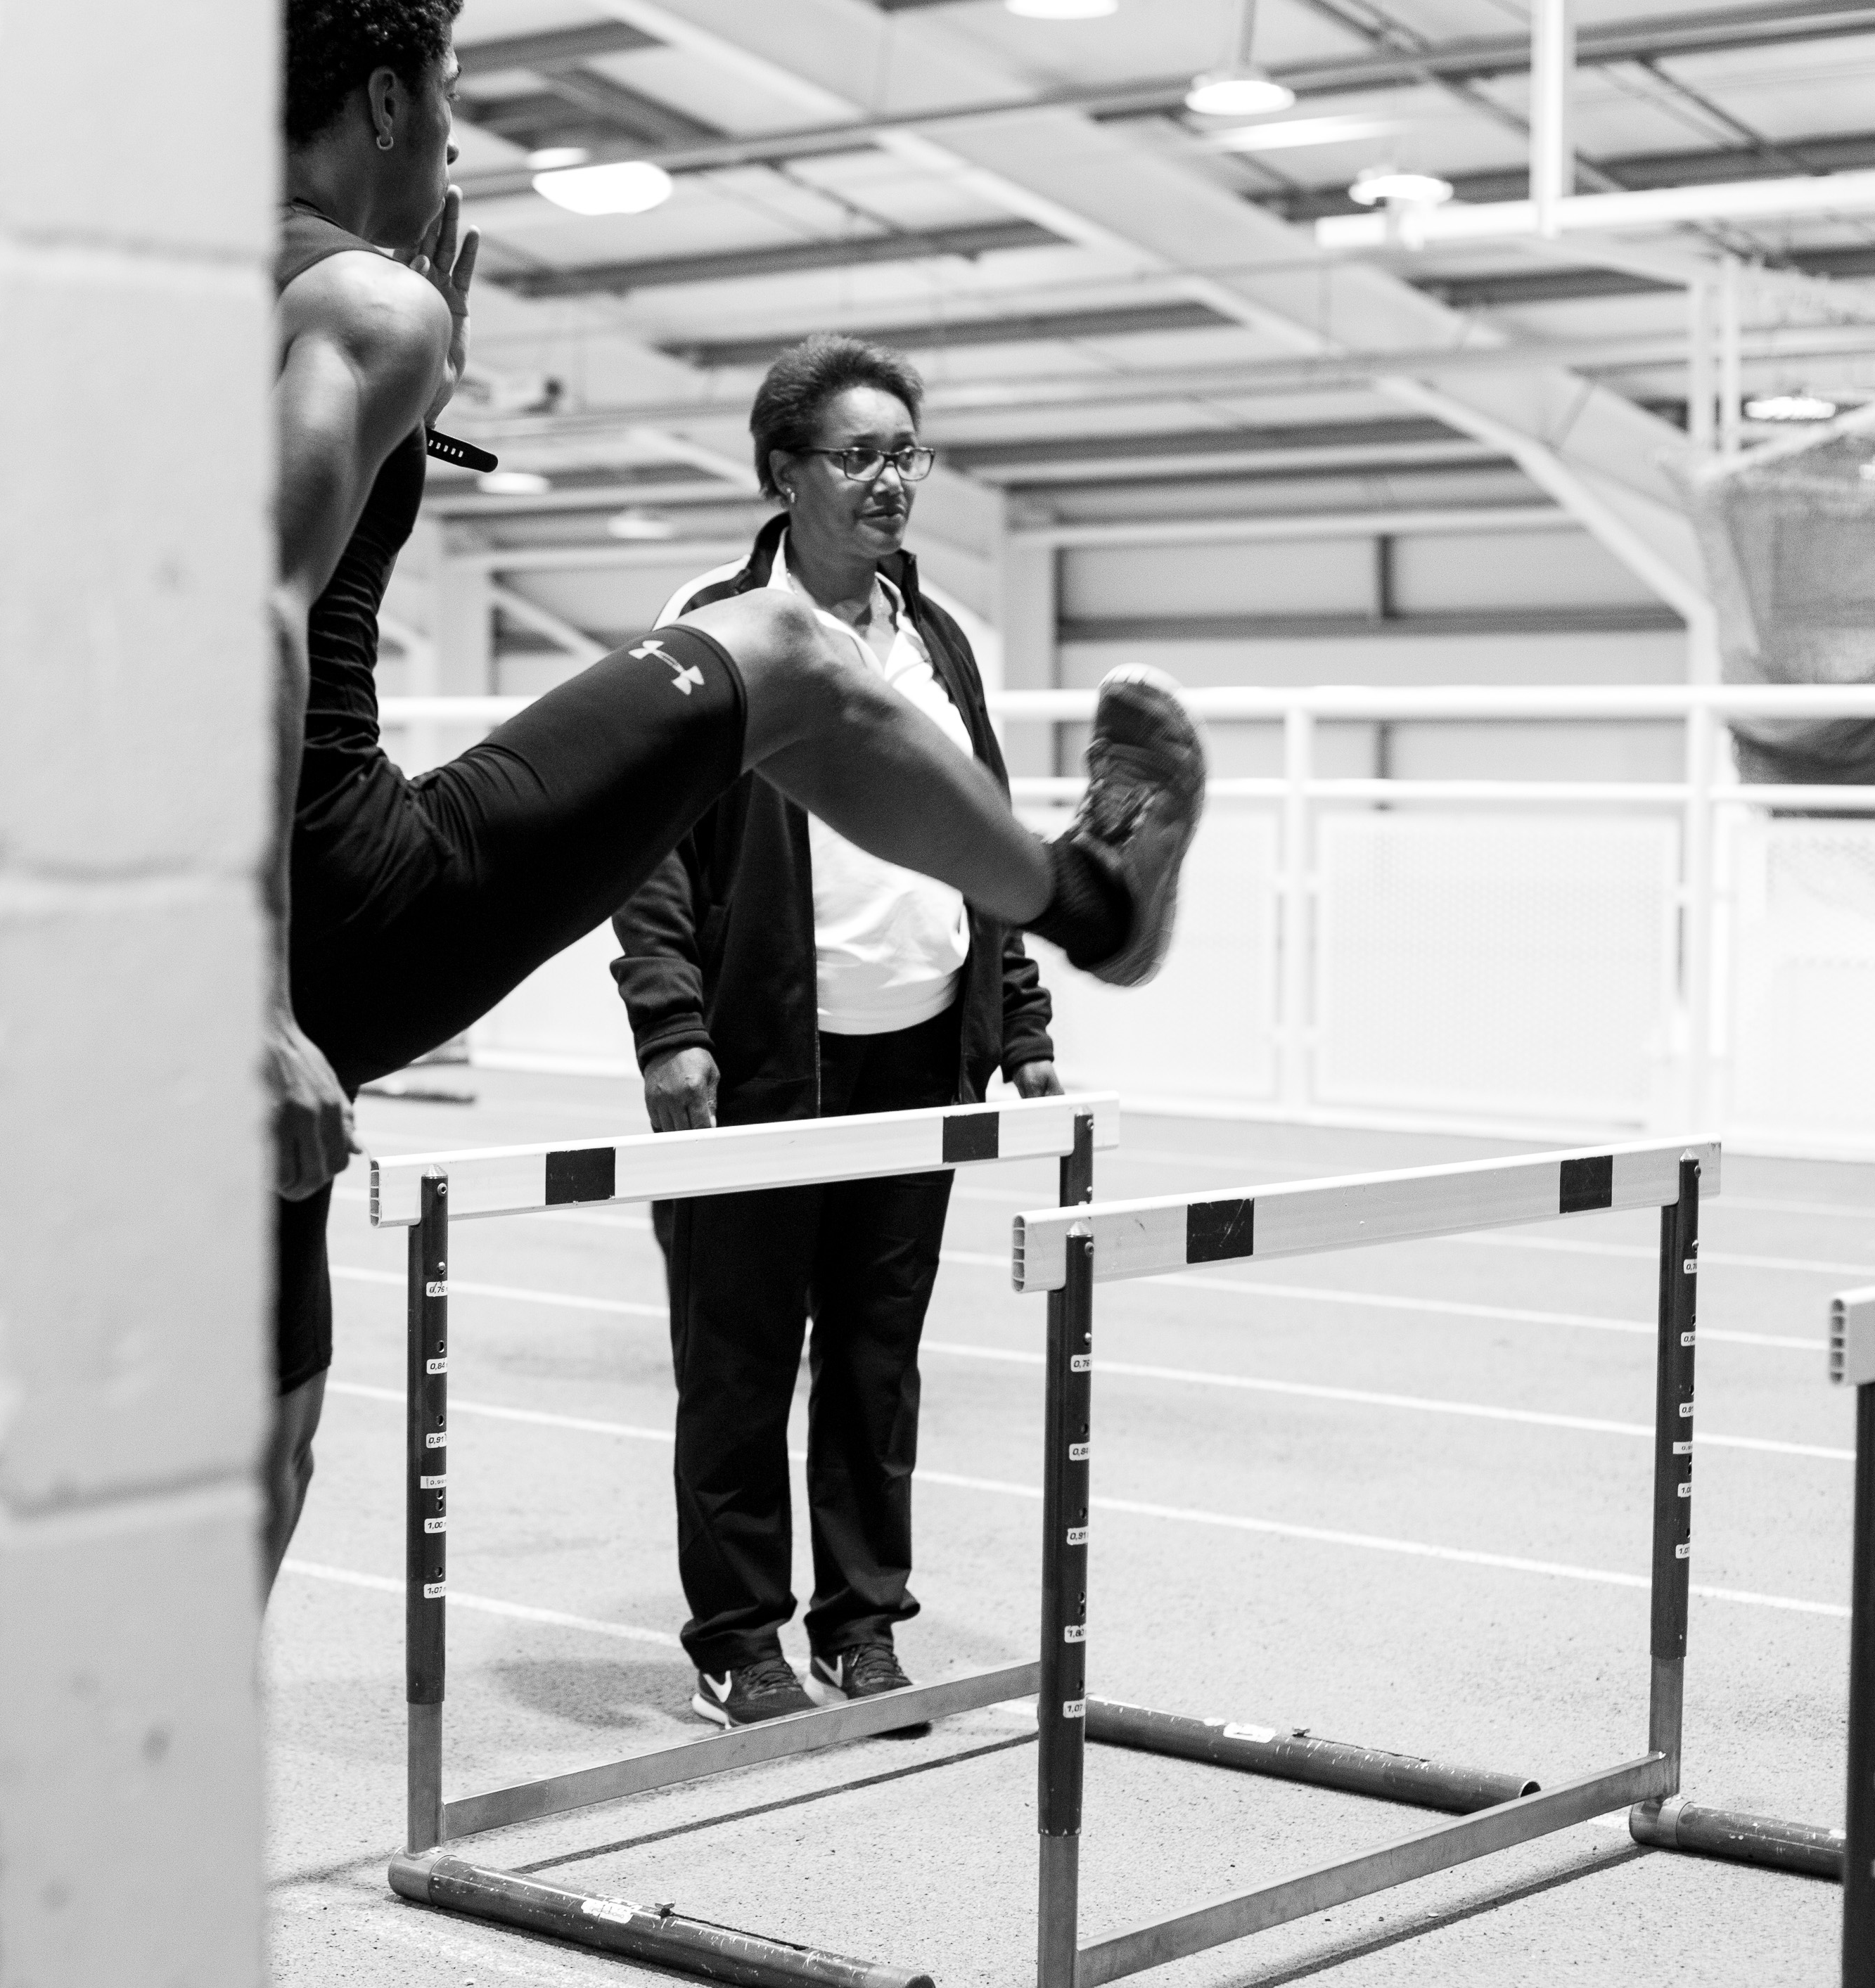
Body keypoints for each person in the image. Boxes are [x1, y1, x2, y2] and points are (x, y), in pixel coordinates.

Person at [264, 0, 1206, 1595]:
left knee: (261, 1437)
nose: (458, 136)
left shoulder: (186, 300)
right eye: (451, 92)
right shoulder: (363, 300)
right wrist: (251, 998)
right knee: (782, 651)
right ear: (381, 98)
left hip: (147, 915)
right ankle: (1092, 898)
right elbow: (248, 608)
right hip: (326, 905)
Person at [613, 335, 1060, 1729]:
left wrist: (1021, 1021)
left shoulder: (938, 641)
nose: (890, 481)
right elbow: (640, 837)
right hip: (760, 1060)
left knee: (875, 1360)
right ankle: (737, 1637)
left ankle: (860, 1623)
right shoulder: (713, 624)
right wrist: (669, 1023)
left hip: (918, 1058)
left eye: (905, 453)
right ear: (783, 473)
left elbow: (981, 830)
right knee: (740, 1357)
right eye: (857, 455)